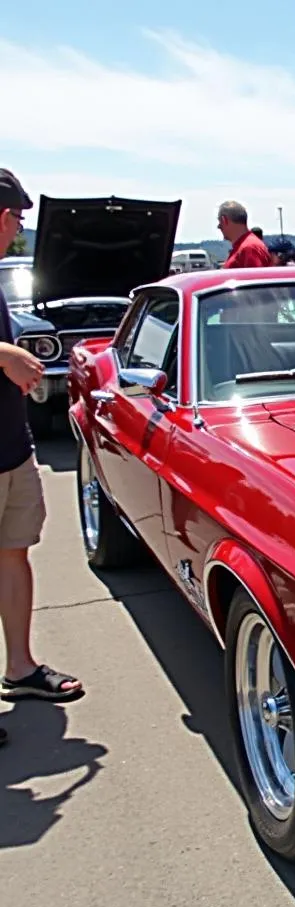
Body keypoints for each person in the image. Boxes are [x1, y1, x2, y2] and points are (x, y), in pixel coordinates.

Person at [0, 169, 83, 731]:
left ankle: (21, 668)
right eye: (17, 219)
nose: (18, 229)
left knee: (14, 552)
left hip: (10, 443)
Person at [218, 201, 273, 269]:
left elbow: (254, 278)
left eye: (219, 222)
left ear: (224, 220)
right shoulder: (246, 246)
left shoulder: (249, 248)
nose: (218, 227)